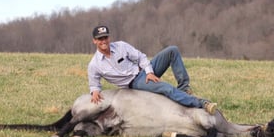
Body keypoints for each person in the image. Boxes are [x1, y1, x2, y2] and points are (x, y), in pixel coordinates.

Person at [87, 25, 217, 115]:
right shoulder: (95, 64)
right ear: (94, 41)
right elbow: (94, 84)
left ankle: (183, 88)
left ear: (109, 38)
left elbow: (141, 57)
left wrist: (149, 72)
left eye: (105, 37)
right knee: (166, 88)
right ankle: (201, 103)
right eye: (100, 39)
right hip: (135, 83)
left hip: (144, 70)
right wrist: (94, 91)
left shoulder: (121, 46)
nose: (103, 41)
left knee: (172, 50)